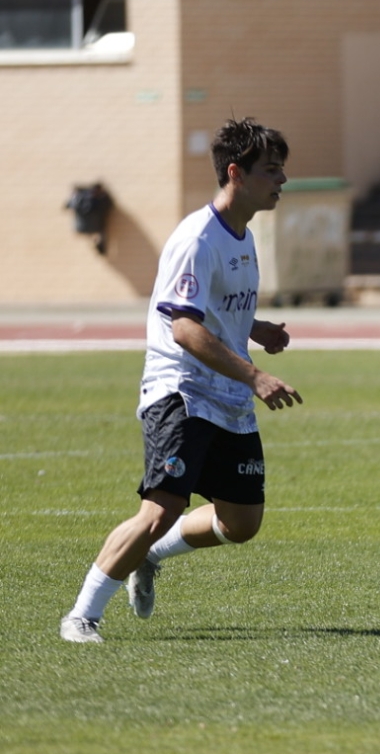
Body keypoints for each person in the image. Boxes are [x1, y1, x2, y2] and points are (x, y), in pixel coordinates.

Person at [59, 118, 303, 643]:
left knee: (242, 522)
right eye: (271, 170)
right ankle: (81, 616)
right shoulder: (198, 238)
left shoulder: (242, 235)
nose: (282, 180)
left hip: (226, 394)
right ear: (235, 173)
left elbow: (212, 308)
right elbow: (185, 328)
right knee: (162, 508)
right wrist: (256, 375)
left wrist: (254, 328)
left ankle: (149, 557)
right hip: (183, 392)